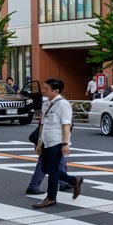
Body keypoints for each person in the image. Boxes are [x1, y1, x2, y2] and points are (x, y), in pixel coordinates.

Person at [32, 79, 83, 209]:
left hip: (57, 141)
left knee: (52, 170)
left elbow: (66, 125)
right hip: (46, 140)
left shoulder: (63, 104)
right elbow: (42, 124)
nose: (44, 91)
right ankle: (74, 181)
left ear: (56, 90)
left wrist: (65, 144)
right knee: (46, 169)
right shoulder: (46, 104)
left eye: (47, 88)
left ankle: (51, 198)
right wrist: (39, 142)